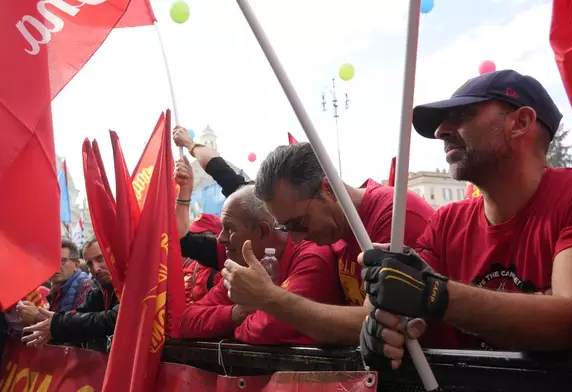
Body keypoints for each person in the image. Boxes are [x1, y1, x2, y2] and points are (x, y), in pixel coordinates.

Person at [359, 70, 572, 369]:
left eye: (462, 114)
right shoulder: (446, 224)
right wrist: (384, 329)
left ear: (520, 123)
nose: (441, 131)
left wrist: (435, 295)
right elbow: (407, 317)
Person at [221, 143, 434, 344]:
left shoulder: (395, 217)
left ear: (328, 189)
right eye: (285, 228)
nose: (295, 239)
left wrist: (267, 297)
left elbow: (375, 326)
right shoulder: (334, 233)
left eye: (298, 223)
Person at [180, 185, 345, 344]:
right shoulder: (244, 267)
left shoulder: (311, 256)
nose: (221, 239)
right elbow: (186, 321)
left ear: (262, 231)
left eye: (229, 229)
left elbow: (267, 328)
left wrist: (233, 327)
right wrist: (236, 313)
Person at [22, 237, 119, 351]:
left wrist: (41, 318)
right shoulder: (100, 291)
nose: (96, 268)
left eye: (100, 258)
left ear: (77, 265)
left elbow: (110, 320)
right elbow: (77, 317)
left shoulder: (88, 287)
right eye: (90, 264)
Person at [172, 126, 247, 270]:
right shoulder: (227, 255)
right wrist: (185, 189)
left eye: (230, 229)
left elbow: (228, 178)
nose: (222, 237)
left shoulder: (300, 258)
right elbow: (182, 241)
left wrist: (191, 145)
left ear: (263, 228)